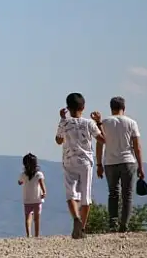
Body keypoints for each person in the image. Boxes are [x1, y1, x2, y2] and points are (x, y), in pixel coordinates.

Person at [55, 92, 105, 239]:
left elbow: (58, 140)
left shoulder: (64, 122)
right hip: (85, 161)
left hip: (69, 160)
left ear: (67, 107)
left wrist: (62, 119)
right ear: (83, 107)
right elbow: (102, 139)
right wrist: (99, 122)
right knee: (86, 195)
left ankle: (76, 218)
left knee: (71, 193)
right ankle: (81, 228)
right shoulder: (89, 123)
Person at [93, 96, 146, 232]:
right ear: (124, 108)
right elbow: (137, 147)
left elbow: (99, 145)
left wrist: (99, 164)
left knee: (113, 193)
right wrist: (141, 166)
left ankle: (113, 223)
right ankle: (124, 224)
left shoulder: (104, 123)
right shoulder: (131, 123)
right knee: (127, 194)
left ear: (111, 108)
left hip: (110, 162)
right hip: (128, 161)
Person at [18, 153, 47, 237]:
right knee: (37, 218)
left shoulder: (23, 175)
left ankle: (28, 234)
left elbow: (19, 182)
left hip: (27, 199)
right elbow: (42, 184)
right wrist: (44, 192)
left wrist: (23, 181)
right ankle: (37, 235)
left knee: (28, 218)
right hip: (37, 199)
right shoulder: (39, 174)